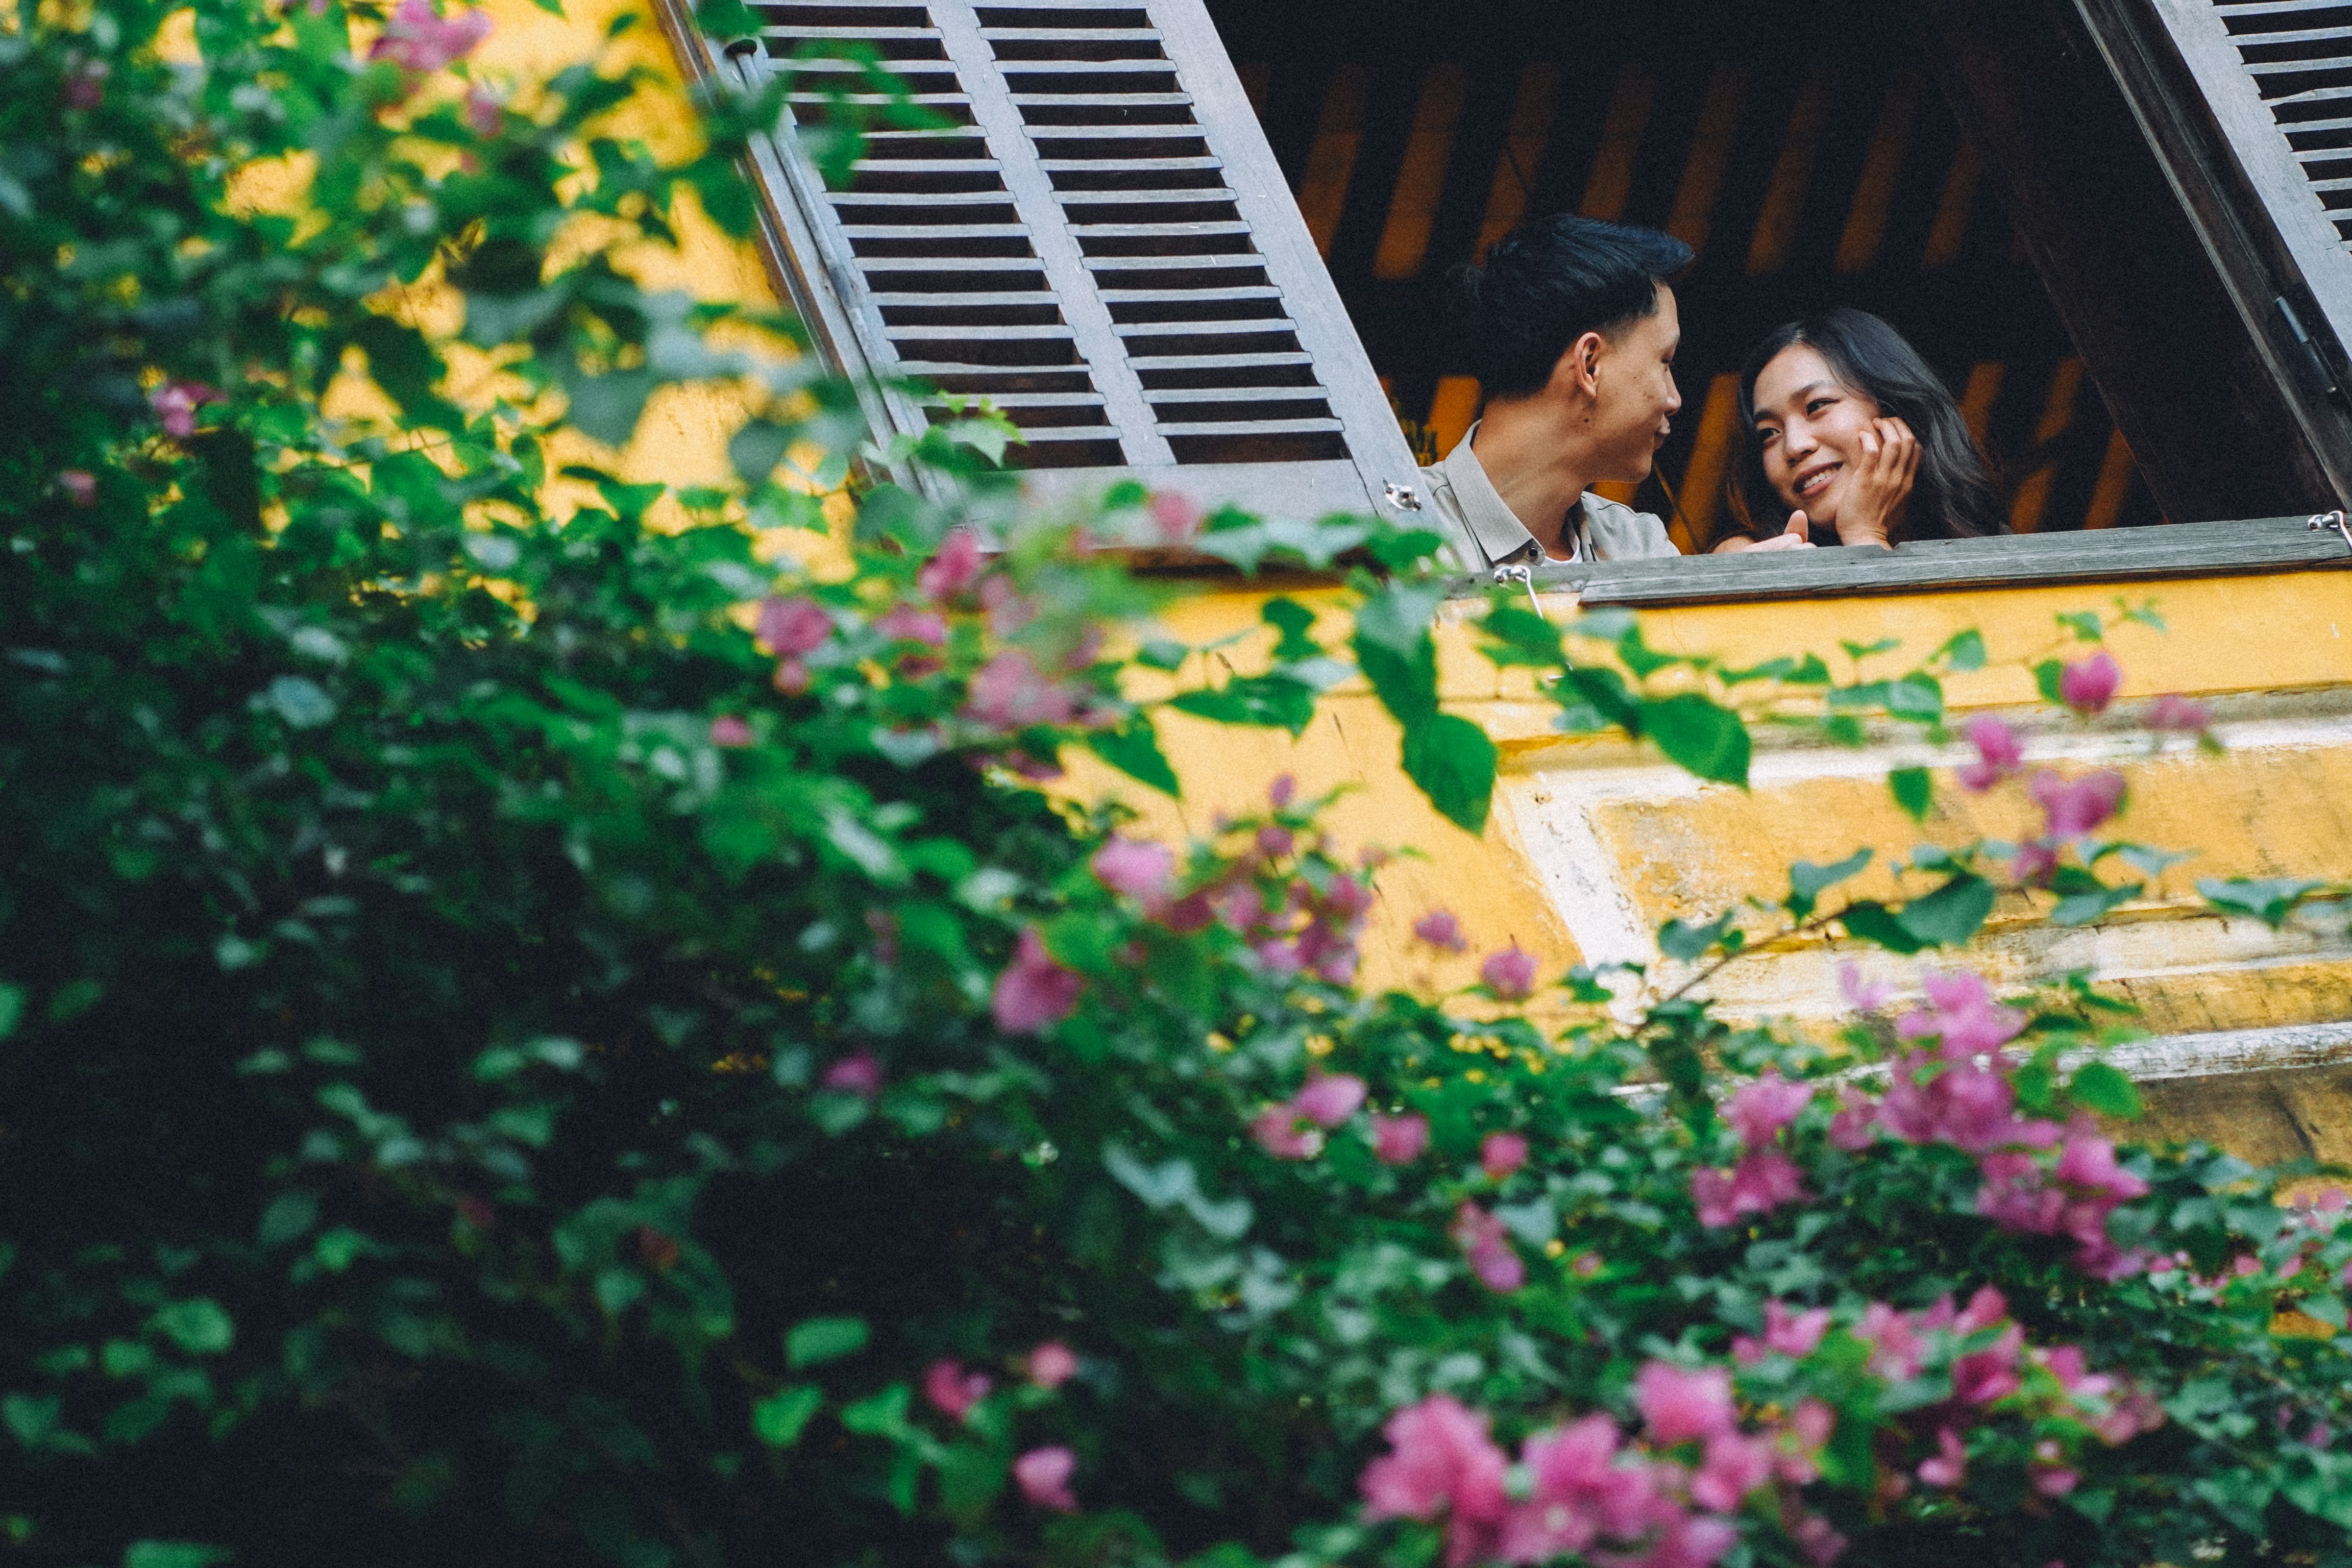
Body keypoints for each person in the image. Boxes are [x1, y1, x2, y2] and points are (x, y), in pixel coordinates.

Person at [1420, 215, 1693, 570]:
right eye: (1665, 361)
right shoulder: (1395, 536)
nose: (1675, 401)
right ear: (1590, 365)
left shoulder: (1638, 544)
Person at [1714, 308, 2008, 552]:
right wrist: (1865, 536)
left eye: (1817, 405)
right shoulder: (1748, 555)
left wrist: (1865, 534)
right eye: (1768, 433)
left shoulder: (1996, 543)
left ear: (1894, 408)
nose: (1794, 446)